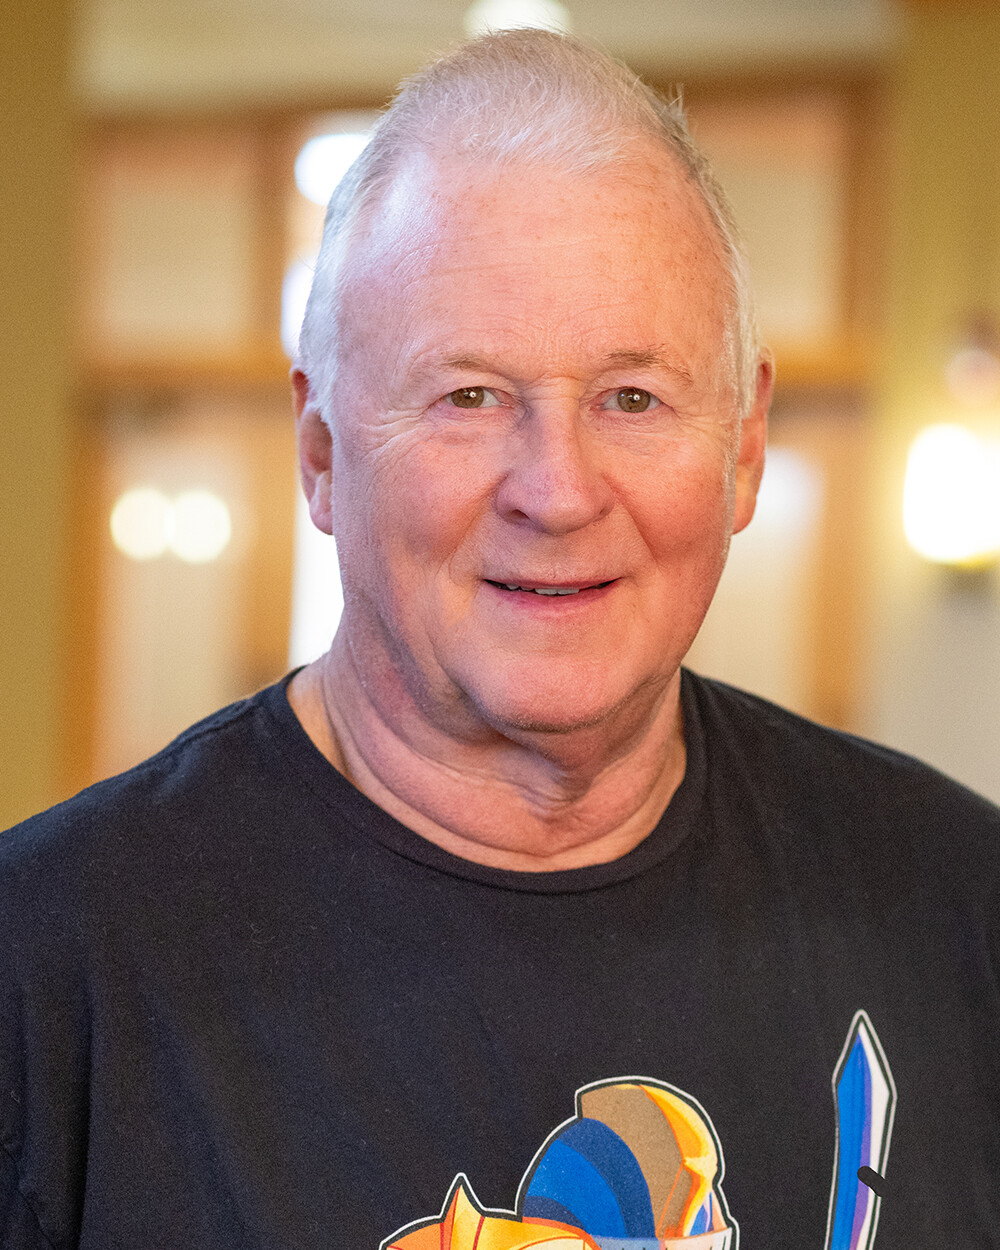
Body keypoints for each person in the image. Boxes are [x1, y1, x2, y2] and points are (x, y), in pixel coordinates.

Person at [2, 27, 999, 1250]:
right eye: (468, 395)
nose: (557, 490)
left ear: (742, 450)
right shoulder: (46, 967)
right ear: (321, 454)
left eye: (632, 397)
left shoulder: (960, 904)